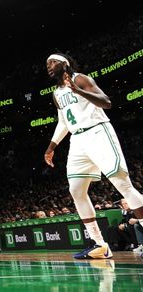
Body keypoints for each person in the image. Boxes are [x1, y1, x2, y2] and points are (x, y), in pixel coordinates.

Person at [43, 53, 143, 260]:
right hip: (78, 141)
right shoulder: (56, 93)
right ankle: (100, 245)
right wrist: (51, 147)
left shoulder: (81, 79)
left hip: (98, 131)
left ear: (65, 64)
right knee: (76, 190)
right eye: (47, 64)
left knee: (123, 185)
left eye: (53, 62)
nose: (49, 66)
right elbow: (64, 123)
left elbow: (106, 102)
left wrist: (78, 90)